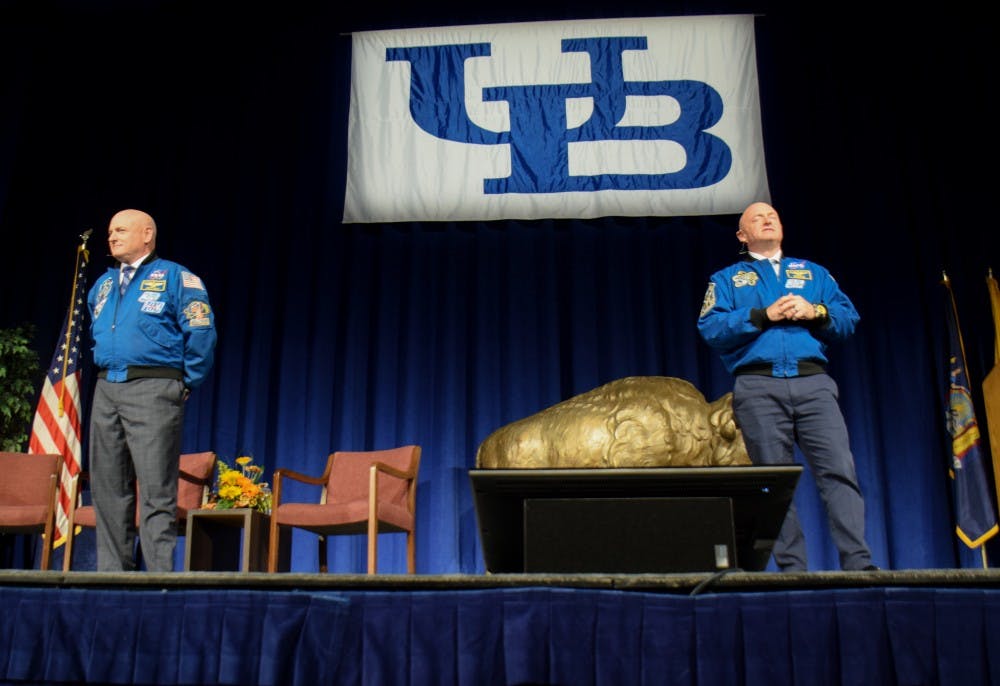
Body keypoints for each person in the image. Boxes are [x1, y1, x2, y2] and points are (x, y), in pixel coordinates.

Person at [696, 201, 876, 572]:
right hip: (758, 386)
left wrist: (816, 312)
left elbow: (847, 319)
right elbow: (711, 329)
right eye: (757, 218)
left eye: (773, 216)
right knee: (773, 485)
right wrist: (763, 315)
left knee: (839, 472)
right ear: (742, 235)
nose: (767, 219)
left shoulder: (813, 274)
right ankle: (792, 571)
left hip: (814, 384)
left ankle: (859, 565)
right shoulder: (727, 279)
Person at [86, 209, 217, 572]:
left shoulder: (177, 277)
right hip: (106, 387)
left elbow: (201, 330)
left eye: (121, 230)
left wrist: (185, 380)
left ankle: (159, 579)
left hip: (154, 387)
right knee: (108, 488)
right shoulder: (104, 284)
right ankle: (113, 577)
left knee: (156, 489)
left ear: (147, 235)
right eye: (110, 231)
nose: (111, 237)